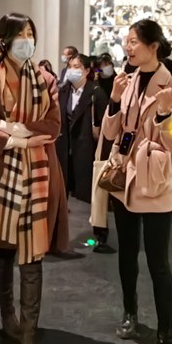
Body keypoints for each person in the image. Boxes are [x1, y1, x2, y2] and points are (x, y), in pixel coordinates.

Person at [0, 13, 69, 344]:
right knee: (3, 249)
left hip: (40, 176)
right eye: (20, 34)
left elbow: (53, 126)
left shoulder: (46, 79)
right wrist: (20, 137)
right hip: (3, 176)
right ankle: (8, 318)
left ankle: (28, 337)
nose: (27, 40)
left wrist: (10, 127)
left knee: (33, 255)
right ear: (4, 41)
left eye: (30, 33)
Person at [102, 19, 172, 344]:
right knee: (126, 253)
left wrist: (166, 114)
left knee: (158, 263)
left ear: (154, 46)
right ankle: (130, 312)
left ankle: (165, 341)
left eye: (134, 41)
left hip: (154, 184)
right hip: (124, 179)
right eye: (127, 41)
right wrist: (113, 100)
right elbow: (111, 132)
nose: (128, 47)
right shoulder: (128, 81)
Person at [55, 54, 111, 252]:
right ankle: (56, 236)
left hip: (87, 150)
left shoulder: (96, 93)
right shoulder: (63, 92)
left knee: (94, 194)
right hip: (64, 149)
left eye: (77, 66)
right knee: (61, 192)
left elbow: (106, 126)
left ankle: (101, 235)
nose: (72, 70)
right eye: (70, 66)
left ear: (87, 70)